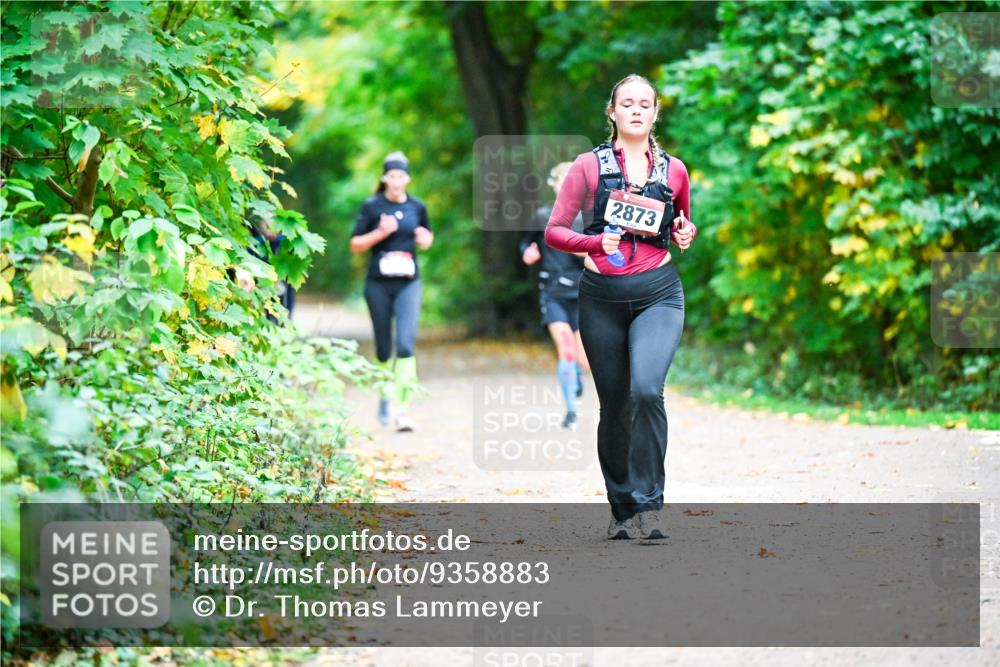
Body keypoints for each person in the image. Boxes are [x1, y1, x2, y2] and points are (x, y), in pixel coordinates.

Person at [544, 74, 696, 540]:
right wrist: (594, 241)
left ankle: (650, 506)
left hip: (658, 294)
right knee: (615, 404)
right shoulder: (588, 166)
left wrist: (686, 234)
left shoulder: (674, 170)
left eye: (644, 104)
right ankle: (622, 508)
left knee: (648, 391)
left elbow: (681, 224)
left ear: (655, 114)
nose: (635, 109)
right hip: (601, 299)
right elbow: (554, 230)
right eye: (626, 103)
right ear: (612, 112)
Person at [350, 151, 433, 432]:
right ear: (385, 178)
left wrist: (425, 239)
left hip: (409, 282)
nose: (397, 181)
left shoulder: (418, 206)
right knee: (384, 348)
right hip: (378, 284)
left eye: (401, 176)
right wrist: (381, 234)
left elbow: (427, 237)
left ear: (407, 178)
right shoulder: (372, 206)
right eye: (392, 176)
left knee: (406, 345)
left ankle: (404, 410)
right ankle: (385, 396)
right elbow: (355, 244)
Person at [520, 162, 591, 430]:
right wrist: (528, 252)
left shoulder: (588, 218)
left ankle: (577, 376)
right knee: (565, 348)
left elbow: (599, 252)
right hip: (552, 291)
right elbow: (527, 243)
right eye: (562, 181)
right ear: (554, 185)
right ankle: (571, 412)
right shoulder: (542, 216)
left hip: (582, 291)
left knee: (583, 359)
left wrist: (576, 246)